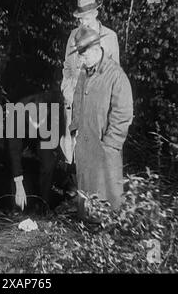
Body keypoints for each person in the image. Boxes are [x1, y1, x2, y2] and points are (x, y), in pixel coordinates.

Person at [69, 27, 133, 221]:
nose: (81, 59)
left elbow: (123, 114)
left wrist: (110, 145)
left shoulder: (116, 76)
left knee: (107, 194)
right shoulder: (83, 73)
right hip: (84, 144)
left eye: (84, 54)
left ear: (96, 49)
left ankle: (108, 229)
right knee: (86, 193)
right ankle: (86, 225)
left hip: (105, 147)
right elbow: (77, 102)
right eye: (79, 55)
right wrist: (74, 130)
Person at [60, 0, 120, 169]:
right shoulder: (73, 36)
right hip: (73, 99)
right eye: (79, 19)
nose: (82, 23)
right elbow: (67, 65)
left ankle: (91, 191)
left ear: (95, 14)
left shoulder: (109, 37)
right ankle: (72, 185)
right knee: (70, 146)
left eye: (85, 18)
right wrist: (66, 88)